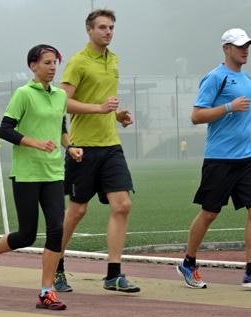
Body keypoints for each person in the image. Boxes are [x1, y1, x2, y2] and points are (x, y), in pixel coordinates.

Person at [0, 44, 74, 311]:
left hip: (53, 172)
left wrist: (70, 147)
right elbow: (6, 129)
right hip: (27, 174)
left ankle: (46, 291)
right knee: (27, 235)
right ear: (33, 66)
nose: (52, 68)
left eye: (55, 63)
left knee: (56, 229)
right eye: (47, 63)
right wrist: (35, 143)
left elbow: (60, 126)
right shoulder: (23, 94)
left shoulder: (60, 96)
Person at [176, 28, 251, 290]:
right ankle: (188, 263)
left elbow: (242, 115)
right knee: (209, 213)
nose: (245, 50)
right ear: (226, 48)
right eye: (240, 45)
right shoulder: (214, 78)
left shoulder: (246, 79)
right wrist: (229, 107)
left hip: (247, 157)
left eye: (248, 46)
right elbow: (197, 116)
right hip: (219, 159)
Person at [57, 9, 139, 293]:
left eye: (111, 28)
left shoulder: (113, 60)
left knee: (123, 205)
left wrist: (117, 115)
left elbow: (104, 102)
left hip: (111, 146)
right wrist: (99, 109)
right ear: (89, 30)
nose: (108, 32)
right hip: (83, 148)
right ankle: (55, 265)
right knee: (78, 210)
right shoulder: (78, 63)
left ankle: (113, 274)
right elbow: (61, 102)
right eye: (102, 27)